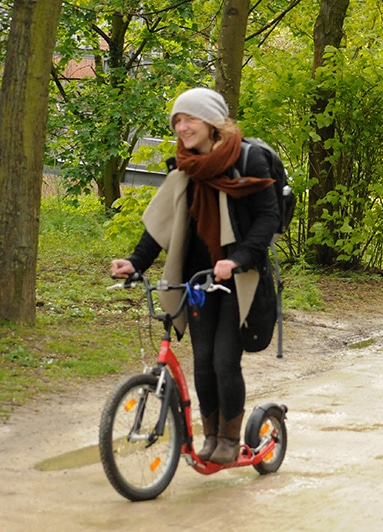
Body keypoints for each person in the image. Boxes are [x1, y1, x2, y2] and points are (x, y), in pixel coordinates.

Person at [110, 87, 280, 464]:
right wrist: (136, 262)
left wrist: (238, 259)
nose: (182, 127)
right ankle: (212, 436)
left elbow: (268, 218)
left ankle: (230, 439)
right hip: (198, 279)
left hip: (238, 278)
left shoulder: (247, 160)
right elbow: (163, 225)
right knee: (202, 359)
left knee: (224, 360)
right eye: (177, 121)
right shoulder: (185, 167)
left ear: (212, 122)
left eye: (190, 119)